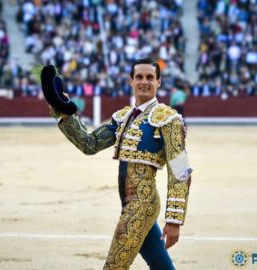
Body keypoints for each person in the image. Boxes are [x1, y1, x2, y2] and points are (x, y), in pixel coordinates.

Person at [50, 58, 193, 269]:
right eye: (139, 77)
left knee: (114, 266)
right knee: (161, 265)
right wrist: (64, 112)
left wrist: (174, 219)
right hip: (129, 205)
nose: (144, 82)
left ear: (158, 82)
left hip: (141, 207)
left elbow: (180, 171)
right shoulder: (124, 118)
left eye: (150, 77)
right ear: (131, 81)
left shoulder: (168, 119)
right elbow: (90, 144)